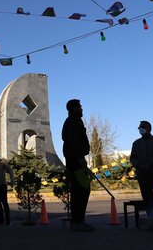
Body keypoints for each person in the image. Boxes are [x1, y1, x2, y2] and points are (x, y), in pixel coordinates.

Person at [61, 99, 94, 232]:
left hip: (75, 159)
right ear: (74, 108)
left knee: (80, 190)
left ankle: (78, 221)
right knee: (82, 190)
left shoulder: (72, 121)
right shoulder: (73, 121)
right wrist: (80, 157)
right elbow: (73, 141)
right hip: (76, 161)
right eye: (79, 106)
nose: (81, 108)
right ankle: (78, 221)